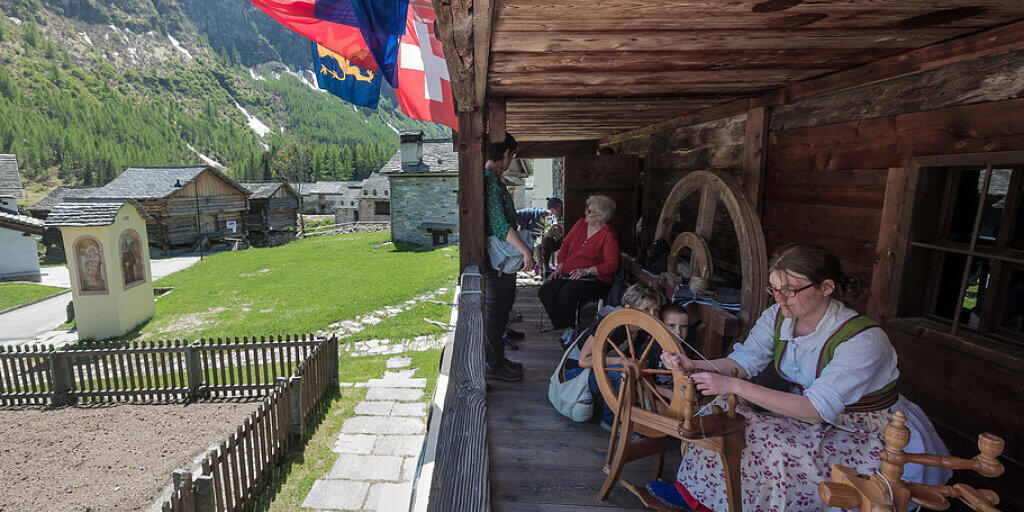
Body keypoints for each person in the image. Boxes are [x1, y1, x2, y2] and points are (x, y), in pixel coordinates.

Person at [646, 244, 951, 512]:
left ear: (826, 287)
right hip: (811, 413)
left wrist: (734, 385)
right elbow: (744, 362)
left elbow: (814, 410)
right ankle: (698, 497)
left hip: (869, 430)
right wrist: (697, 364)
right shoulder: (779, 317)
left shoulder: (863, 340)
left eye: (789, 290)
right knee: (719, 413)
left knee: (772, 445)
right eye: (773, 289)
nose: (779, 298)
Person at [562, 283, 661, 429]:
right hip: (575, 374)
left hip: (598, 370)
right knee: (619, 373)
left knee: (625, 371)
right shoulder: (610, 324)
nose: (653, 316)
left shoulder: (641, 331)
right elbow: (583, 361)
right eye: (646, 309)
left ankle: (631, 412)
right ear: (628, 308)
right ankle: (610, 421)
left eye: (656, 310)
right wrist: (618, 361)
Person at [483, 132, 535, 382]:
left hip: (497, 261)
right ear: (506, 155)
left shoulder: (492, 179)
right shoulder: (491, 181)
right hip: (498, 263)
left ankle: (497, 360)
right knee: (496, 312)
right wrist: (526, 251)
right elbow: (500, 224)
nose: (511, 160)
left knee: (500, 311)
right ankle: (493, 364)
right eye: (511, 156)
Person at [538, 194, 620, 332]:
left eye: (590, 211)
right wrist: (560, 266)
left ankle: (569, 330)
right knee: (545, 291)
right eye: (587, 209)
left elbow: (612, 264)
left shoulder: (608, 234)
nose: (585, 212)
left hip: (596, 280)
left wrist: (587, 271)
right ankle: (566, 327)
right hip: (569, 274)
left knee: (568, 291)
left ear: (602, 216)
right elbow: (564, 247)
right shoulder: (581, 224)